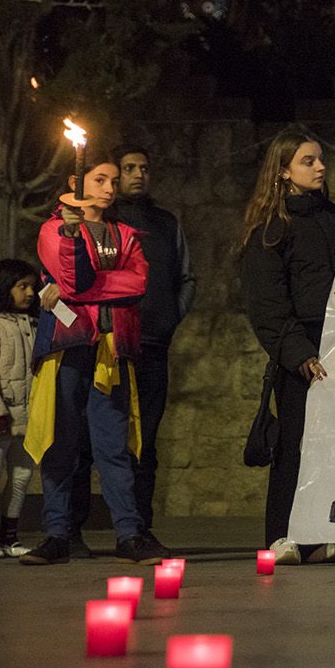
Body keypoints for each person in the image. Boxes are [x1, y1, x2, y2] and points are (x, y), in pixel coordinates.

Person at [21, 155, 168, 566]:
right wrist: (72, 246)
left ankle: (128, 533)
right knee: (61, 440)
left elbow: (137, 283)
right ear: (76, 182)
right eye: (100, 179)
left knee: (114, 443)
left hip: (111, 346)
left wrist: (71, 292)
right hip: (67, 345)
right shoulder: (55, 229)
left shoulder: (124, 233)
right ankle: (57, 534)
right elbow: (71, 279)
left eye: (113, 181)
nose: (109, 187)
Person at [238, 132, 335, 567]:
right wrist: (299, 353)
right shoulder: (271, 231)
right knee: (294, 445)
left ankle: (327, 532)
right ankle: (283, 535)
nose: (320, 167)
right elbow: (267, 303)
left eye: (321, 159)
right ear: (284, 170)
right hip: (303, 352)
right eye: (309, 161)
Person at [93, 144, 196, 536]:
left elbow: (186, 277)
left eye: (144, 168)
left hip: (153, 342)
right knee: (103, 436)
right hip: (109, 344)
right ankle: (78, 526)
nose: (138, 174)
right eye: (130, 168)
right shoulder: (104, 220)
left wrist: (170, 316)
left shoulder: (166, 223)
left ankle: (140, 527)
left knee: (146, 438)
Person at [0, 259, 41, 557]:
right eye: (21, 286)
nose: (28, 293)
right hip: (2, 416)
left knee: (22, 477)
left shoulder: (36, 324)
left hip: (28, 416)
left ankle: (9, 537)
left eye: (32, 288)